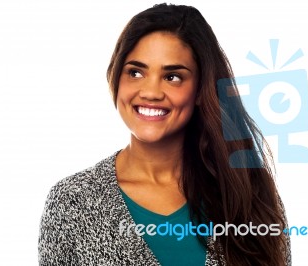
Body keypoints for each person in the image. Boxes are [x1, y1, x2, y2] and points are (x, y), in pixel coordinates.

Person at [38, 3, 291, 265]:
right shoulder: (73, 202)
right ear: (116, 77)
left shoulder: (248, 192)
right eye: (135, 72)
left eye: (172, 77)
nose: (151, 92)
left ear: (200, 90)